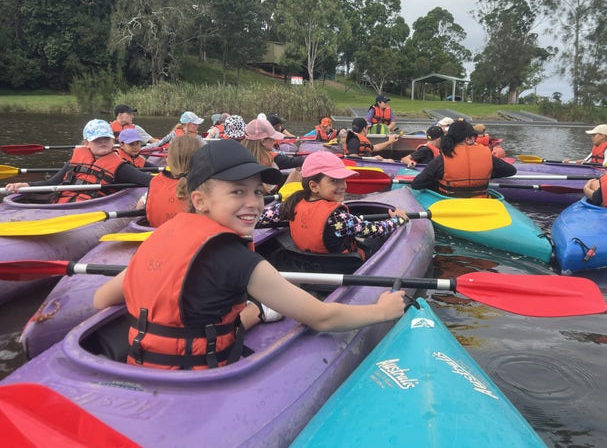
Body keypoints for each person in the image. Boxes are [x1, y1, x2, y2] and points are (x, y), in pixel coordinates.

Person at [92, 140, 407, 370]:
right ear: (199, 200)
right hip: (202, 377)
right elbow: (323, 318)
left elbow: (102, 299)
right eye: (237, 191)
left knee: (240, 311)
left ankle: (258, 311)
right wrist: (382, 311)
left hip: (143, 364)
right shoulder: (237, 259)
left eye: (257, 191)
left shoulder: (161, 235)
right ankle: (259, 311)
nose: (254, 203)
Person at [270, 152, 409, 259]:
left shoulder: (291, 204)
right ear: (314, 186)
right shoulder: (338, 217)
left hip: (306, 264)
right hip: (340, 266)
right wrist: (397, 219)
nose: (343, 186)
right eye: (334, 181)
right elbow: (375, 230)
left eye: (343, 180)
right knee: (381, 236)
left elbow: (265, 217)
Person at [4, 119, 153, 202]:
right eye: (97, 140)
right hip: (62, 205)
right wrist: (26, 184)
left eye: (106, 139)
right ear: (86, 143)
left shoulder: (121, 168)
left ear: (112, 140)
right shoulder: (74, 162)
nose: (103, 142)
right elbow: (51, 184)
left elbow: (149, 181)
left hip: (91, 207)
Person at [411, 119, 517, 197]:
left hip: (451, 202)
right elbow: (511, 171)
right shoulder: (487, 155)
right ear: (469, 138)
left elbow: (417, 184)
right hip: (481, 203)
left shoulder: (443, 158)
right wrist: (488, 173)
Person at [137, 135, 203, 228]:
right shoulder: (205, 185)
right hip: (191, 237)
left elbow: (139, 207)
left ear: (168, 160)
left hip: (157, 234)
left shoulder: (156, 181)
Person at [243, 117, 305, 185]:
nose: (275, 141)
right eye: (272, 139)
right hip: (268, 193)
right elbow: (294, 161)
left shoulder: (241, 156)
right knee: (296, 174)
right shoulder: (272, 158)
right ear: (263, 141)